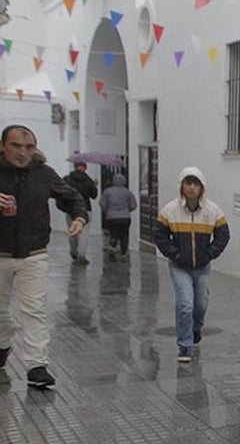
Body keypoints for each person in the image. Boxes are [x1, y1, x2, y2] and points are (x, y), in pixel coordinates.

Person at [0, 125, 89, 388]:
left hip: (34, 253)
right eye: (16, 146)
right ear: (3, 146)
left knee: (35, 310)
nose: (22, 152)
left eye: (28, 147)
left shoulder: (43, 173)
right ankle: (3, 345)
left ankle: (36, 366)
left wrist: (79, 217)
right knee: (1, 312)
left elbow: (72, 197)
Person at [154, 167, 230, 363]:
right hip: (180, 266)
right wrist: (175, 254)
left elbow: (223, 235)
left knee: (201, 303)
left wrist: (209, 254)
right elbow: (160, 235)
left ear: (202, 187)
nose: (191, 187)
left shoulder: (212, 210)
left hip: (202, 266)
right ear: (181, 186)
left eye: (195, 184)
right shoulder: (170, 210)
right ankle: (185, 345)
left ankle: (196, 329)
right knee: (185, 304)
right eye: (188, 183)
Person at [63, 158, 98, 265]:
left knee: (72, 230)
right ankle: (81, 255)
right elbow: (94, 195)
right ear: (85, 167)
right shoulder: (88, 181)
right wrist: (94, 185)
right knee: (84, 233)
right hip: (85, 209)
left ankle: (73, 251)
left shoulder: (67, 179)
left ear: (75, 167)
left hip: (71, 209)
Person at [100, 174, 137, 260]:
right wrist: (127, 210)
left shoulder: (107, 191)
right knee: (124, 235)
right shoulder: (128, 192)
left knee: (113, 234)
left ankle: (112, 251)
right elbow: (133, 205)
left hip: (111, 217)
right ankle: (124, 254)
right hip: (125, 217)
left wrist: (108, 211)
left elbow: (102, 204)